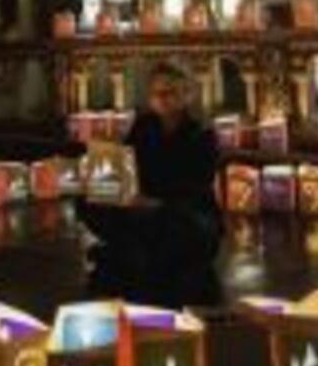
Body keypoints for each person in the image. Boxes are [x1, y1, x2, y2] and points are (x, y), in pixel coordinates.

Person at [81, 62, 222, 305]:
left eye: (169, 93)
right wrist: (108, 175)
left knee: (184, 226)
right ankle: (132, 249)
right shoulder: (144, 125)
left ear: (187, 95)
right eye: (155, 93)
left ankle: (135, 252)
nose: (161, 99)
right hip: (140, 202)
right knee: (88, 201)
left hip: (180, 209)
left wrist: (157, 203)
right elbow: (127, 162)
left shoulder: (202, 134)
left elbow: (196, 186)